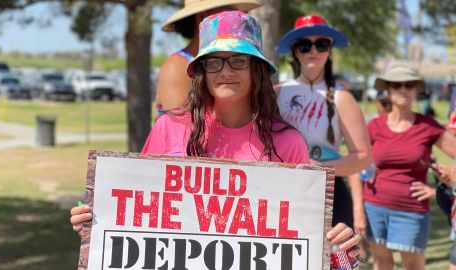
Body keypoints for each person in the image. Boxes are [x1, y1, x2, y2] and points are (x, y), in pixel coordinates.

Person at [71, 10, 361, 260]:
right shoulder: (169, 128)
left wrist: (337, 250)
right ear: (202, 71)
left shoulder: (288, 142)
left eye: (238, 60)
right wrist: (97, 217)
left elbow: (303, 237)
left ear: (257, 69)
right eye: (214, 61)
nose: (225, 71)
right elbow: (136, 209)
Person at [275, 14, 372, 235]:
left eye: (321, 44)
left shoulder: (342, 97)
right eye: (304, 45)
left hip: (331, 194)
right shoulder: (277, 94)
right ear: (294, 50)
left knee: (335, 265)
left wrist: (321, 169)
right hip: (283, 193)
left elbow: (363, 156)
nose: (313, 51)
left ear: (329, 50)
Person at [364, 64, 456, 269]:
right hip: (374, 206)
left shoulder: (427, 125)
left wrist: (437, 191)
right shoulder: (374, 126)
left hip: (411, 210)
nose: (403, 90)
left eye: (409, 85)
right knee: (381, 263)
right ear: (387, 90)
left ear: (416, 90)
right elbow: (357, 161)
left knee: (413, 266)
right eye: (397, 85)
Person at [155, 0, 261, 114]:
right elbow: (180, 128)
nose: (235, 18)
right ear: (203, 15)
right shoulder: (176, 67)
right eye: (229, 11)